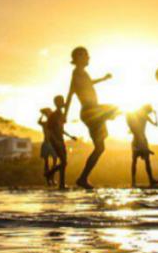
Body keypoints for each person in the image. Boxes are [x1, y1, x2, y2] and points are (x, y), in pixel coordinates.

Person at [64, 46, 118, 189]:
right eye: (84, 55)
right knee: (117, 109)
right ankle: (82, 178)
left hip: (94, 111)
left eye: (87, 55)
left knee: (100, 148)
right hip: (91, 112)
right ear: (76, 59)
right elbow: (70, 93)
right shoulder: (76, 73)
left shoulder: (82, 73)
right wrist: (64, 115)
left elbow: (88, 84)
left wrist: (103, 79)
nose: (87, 57)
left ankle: (83, 178)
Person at [45, 95, 76, 190]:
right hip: (55, 141)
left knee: (63, 162)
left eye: (63, 101)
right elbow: (49, 130)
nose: (63, 102)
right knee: (64, 162)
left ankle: (61, 184)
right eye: (61, 101)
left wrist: (70, 136)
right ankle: (49, 173)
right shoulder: (53, 115)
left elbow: (61, 129)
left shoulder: (61, 115)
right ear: (57, 103)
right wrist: (56, 141)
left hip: (61, 140)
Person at [126, 104, 158, 188]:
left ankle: (134, 181)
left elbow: (131, 125)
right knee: (146, 161)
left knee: (135, 161)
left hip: (136, 139)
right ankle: (150, 180)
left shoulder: (136, 115)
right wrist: (156, 115)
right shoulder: (144, 116)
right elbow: (156, 124)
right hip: (141, 140)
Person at [38, 107, 56, 185]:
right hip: (46, 143)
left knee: (55, 161)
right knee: (46, 163)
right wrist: (42, 114)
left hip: (52, 144)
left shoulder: (52, 123)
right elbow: (39, 121)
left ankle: (51, 178)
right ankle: (48, 180)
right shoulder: (45, 123)